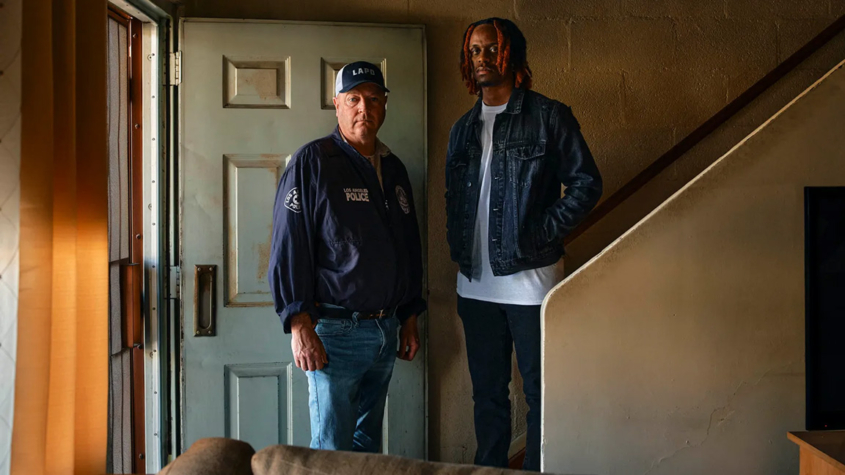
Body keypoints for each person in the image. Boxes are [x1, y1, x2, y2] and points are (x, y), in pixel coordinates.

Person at [445, 18, 603, 470]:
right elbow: (454, 197)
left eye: (491, 49)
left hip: (532, 284)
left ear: (513, 55)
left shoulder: (549, 115)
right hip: (474, 287)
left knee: (540, 395)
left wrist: (540, 232)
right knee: (488, 397)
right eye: (474, 51)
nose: (481, 59)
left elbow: (586, 185)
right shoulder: (463, 128)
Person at [268, 61, 425, 452]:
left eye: (373, 99)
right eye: (353, 98)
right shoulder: (313, 163)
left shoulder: (393, 168)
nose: (363, 108)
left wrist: (408, 316)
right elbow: (289, 247)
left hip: (385, 332)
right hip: (335, 335)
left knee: (366, 446)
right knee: (331, 450)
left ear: (385, 106)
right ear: (336, 105)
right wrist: (298, 324)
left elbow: (408, 247)